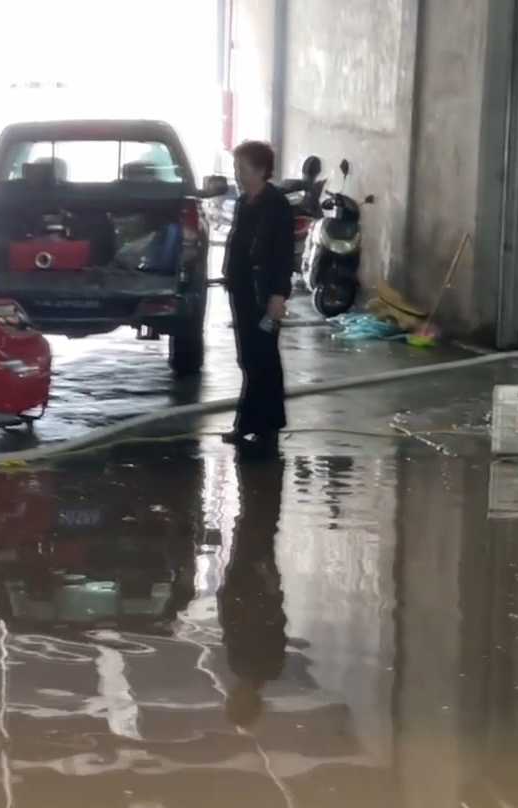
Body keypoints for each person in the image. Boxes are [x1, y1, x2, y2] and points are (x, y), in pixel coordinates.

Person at [221, 140, 294, 452]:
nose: (238, 174)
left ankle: (269, 425)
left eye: (243, 168)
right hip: (242, 291)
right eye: (237, 168)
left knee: (265, 357)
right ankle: (248, 423)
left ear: (262, 170)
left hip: (264, 293)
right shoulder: (243, 202)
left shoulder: (277, 206)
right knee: (248, 357)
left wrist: (279, 294)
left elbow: (283, 255)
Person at [218, 456, 287, 728]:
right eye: (233, 700)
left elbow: (233, 627)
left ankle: (261, 474)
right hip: (252, 588)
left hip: (245, 588)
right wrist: (270, 590)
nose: (230, 693)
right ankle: (262, 472)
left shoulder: (251, 669)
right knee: (255, 530)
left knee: (252, 528)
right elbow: (271, 626)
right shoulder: (262, 667)